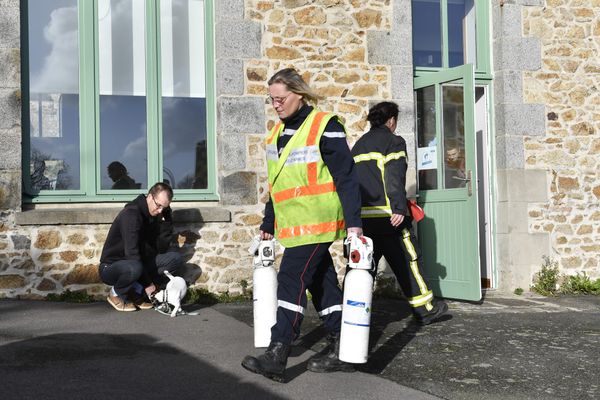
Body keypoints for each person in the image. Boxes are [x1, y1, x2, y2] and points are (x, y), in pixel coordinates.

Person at [241, 68, 363, 382]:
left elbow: (346, 177)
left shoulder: (324, 126)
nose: (276, 105)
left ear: (300, 94)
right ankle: (343, 346)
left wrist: (354, 225)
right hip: (293, 225)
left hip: (318, 222)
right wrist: (269, 221)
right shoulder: (274, 136)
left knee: (291, 279)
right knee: (322, 283)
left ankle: (278, 352)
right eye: (272, 100)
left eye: (281, 99)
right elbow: (276, 184)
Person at [351, 101, 448, 326]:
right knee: (409, 260)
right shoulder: (393, 141)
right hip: (389, 218)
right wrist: (398, 208)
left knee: (362, 267)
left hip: (365, 219)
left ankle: (350, 312)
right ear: (391, 120)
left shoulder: (359, 145)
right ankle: (426, 309)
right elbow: (394, 176)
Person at [98, 182, 183, 312]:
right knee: (134, 267)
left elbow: (160, 249)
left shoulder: (154, 216)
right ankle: (116, 293)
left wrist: (167, 219)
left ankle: (135, 293)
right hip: (112, 267)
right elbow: (131, 254)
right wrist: (148, 284)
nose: (160, 210)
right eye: (158, 205)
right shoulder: (131, 214)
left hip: (136, 264)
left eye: (164, 208)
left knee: (174, 259)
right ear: (149, 197)